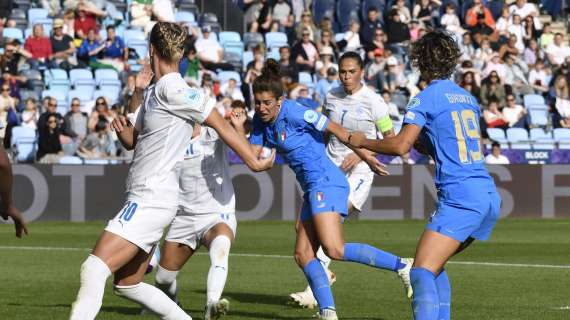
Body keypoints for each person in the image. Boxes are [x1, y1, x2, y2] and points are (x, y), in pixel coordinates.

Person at [68, 22, 274, 320]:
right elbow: (131, 142)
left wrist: (253, 162)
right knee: (127, 284)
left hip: (151, 198)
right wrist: (136, 93)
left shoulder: (175, 89)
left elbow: (217, 120)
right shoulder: (154, 92)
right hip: (149, 196)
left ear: (151, 49)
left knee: (93, 269)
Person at [348, 31, 501, 320]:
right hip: (486, 192)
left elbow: (400, 146)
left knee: (420, 272)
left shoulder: (425, 99)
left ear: (420, 61)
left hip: (460, 196)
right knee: (434, 266)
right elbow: (444, 141)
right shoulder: (467, 98)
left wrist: (362, 141)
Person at [247, 59, 412, 319]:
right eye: (257, 102)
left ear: (279, 100)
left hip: (327, 182)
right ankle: (328, 312)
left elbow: (339, 131)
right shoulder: (260, 120)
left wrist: (367, 155)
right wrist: (235, 127)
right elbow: (254, 157)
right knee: (303, 254)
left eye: (267, 102)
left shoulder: (297, 112)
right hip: (312, 188)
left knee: (334, 248)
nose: (261, 107)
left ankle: (403, 266)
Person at [289, 52, 413, 309]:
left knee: (326, 228)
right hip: (328, 172)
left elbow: (390, 140)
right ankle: (325, 279)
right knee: (302, 229)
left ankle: (315, 292)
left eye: (351, 72)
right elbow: (324, 131)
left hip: (359, 173)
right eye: (342, 72)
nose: (346, 77)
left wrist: (361, 157)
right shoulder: (331, 96)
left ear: (361, 72)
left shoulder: (374, 102)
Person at [150, 100, 248, 320]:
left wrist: (239, 127)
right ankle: (172, 305)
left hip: (217, 213)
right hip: (184, 217)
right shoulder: (171, 143)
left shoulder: (214, 133)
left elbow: (244, 150)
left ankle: (212, 305)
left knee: (221, 249)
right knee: (163, 279)